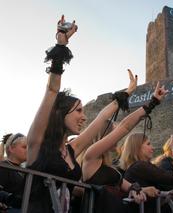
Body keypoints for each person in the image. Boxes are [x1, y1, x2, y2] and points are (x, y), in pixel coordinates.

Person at [26, 15, 137, 213]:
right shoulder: (37, 142)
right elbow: (52, 90)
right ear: (60, 113)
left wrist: (127, 93)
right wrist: (61, 45)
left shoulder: (72, 149)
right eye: (78, 110)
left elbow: (102, 117)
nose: (84, 117)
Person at [81, 73, 165, 212]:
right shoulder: (91, 156)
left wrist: (142, 190)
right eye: (113, 133)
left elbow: (128, 186)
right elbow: (125, 126)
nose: (118, 137)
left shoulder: (107, 166)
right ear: (105, 136)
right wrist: (152, 102)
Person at [0, 133, 27, 211]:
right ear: (11, 148)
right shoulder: (3, 167)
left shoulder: (26, 170)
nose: (28, 150)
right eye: (24, 147)